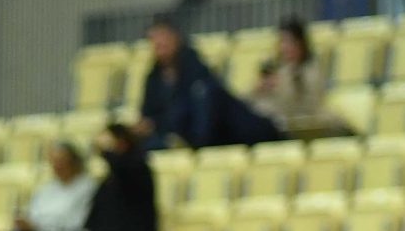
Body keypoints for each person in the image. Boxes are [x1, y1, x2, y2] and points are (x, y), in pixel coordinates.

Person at [137, 18, 277, 150]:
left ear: (175, 38)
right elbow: (148, 114)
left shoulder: (194, 68)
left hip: (218, 133)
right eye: (154, 40)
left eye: (163, 38)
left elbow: (202, 109)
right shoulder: (153, 78)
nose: (159, 44)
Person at [250, 19, 330, 133]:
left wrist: (282, 83)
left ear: (301, 44)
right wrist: (259, 88)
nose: (284, 47)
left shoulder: (311, 71)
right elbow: (250, 100)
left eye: (289, 42)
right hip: (271, 124)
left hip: (300, 127)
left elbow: (308, 107)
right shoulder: (275, 68)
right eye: (281, 42)